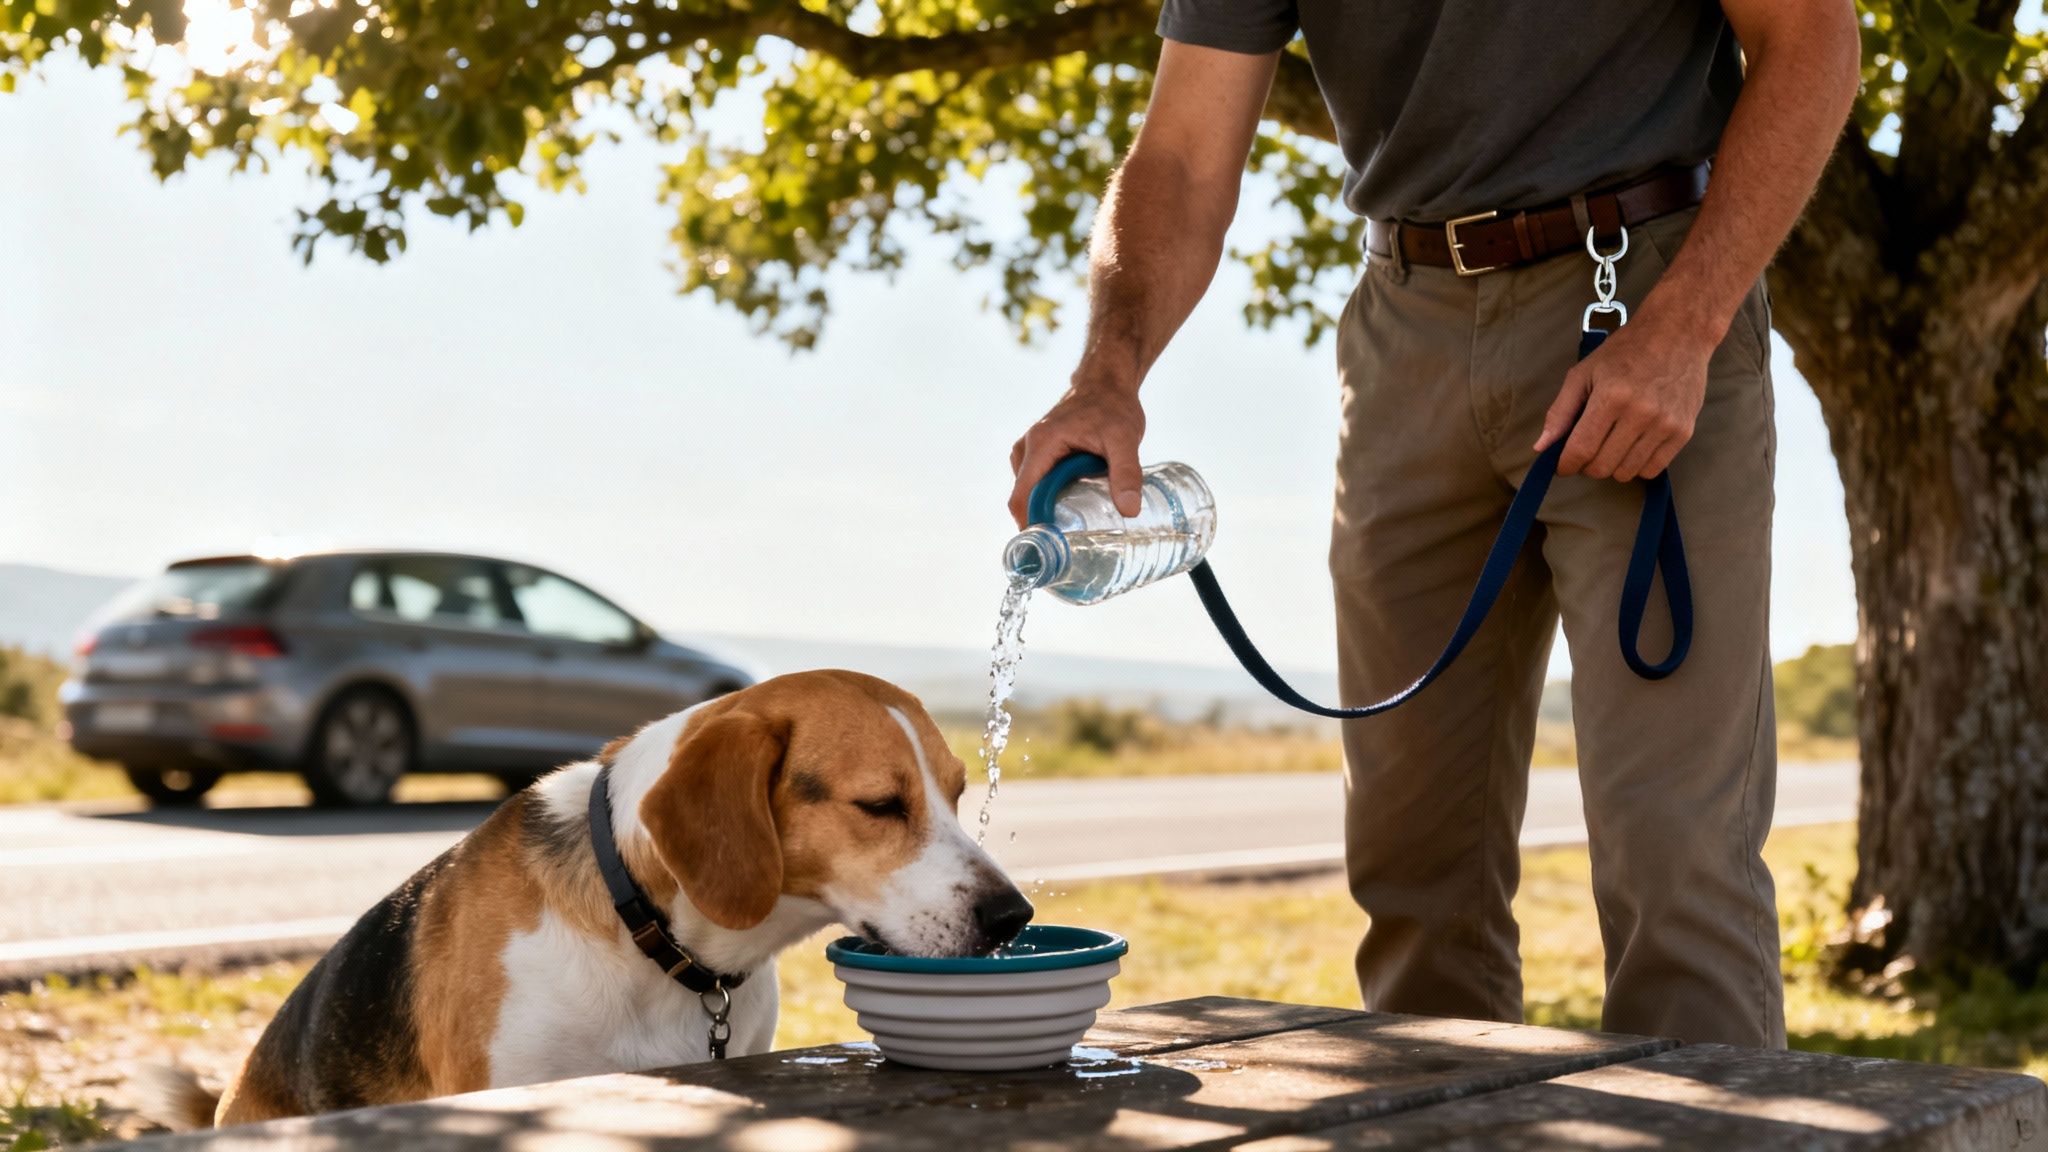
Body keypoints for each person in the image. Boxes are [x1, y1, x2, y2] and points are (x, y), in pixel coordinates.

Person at [1006, 1, 1861, 1047]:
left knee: (1672, 851)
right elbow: (1181, 156)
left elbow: (1811, 34)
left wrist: (1684, 325)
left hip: (1640, 292)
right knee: (1412, 857)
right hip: (1403, 323)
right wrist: (1105, 375)